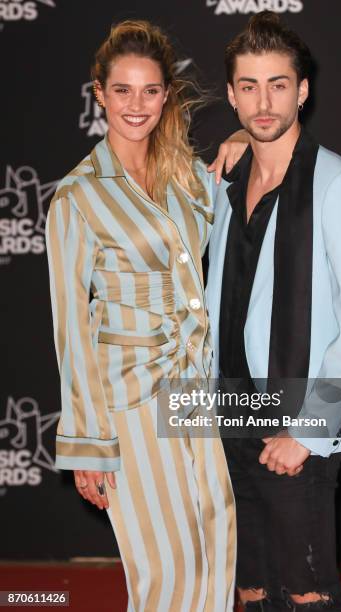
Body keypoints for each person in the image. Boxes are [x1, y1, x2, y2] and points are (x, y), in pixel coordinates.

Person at [45, 20, 239, 612]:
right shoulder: (78, 197)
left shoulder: (186, 179)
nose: (137, 105)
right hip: (129, 406)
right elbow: (71, 328)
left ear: (166, 96)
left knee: (214, 555)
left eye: (150, 91)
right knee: (163, 573)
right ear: (99, 93)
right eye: (122, 90)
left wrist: (246, 141)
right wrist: (87, 445)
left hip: (194, 397)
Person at [206, 11, 341, 611]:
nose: (264, 100)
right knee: (252, 586)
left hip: (296, 423)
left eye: (278, 84)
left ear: (302, 90)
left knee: (307, 592)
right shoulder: (223, 186)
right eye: (250, 86)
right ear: (232, 94)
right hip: (229, 411)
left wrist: (308, 432)